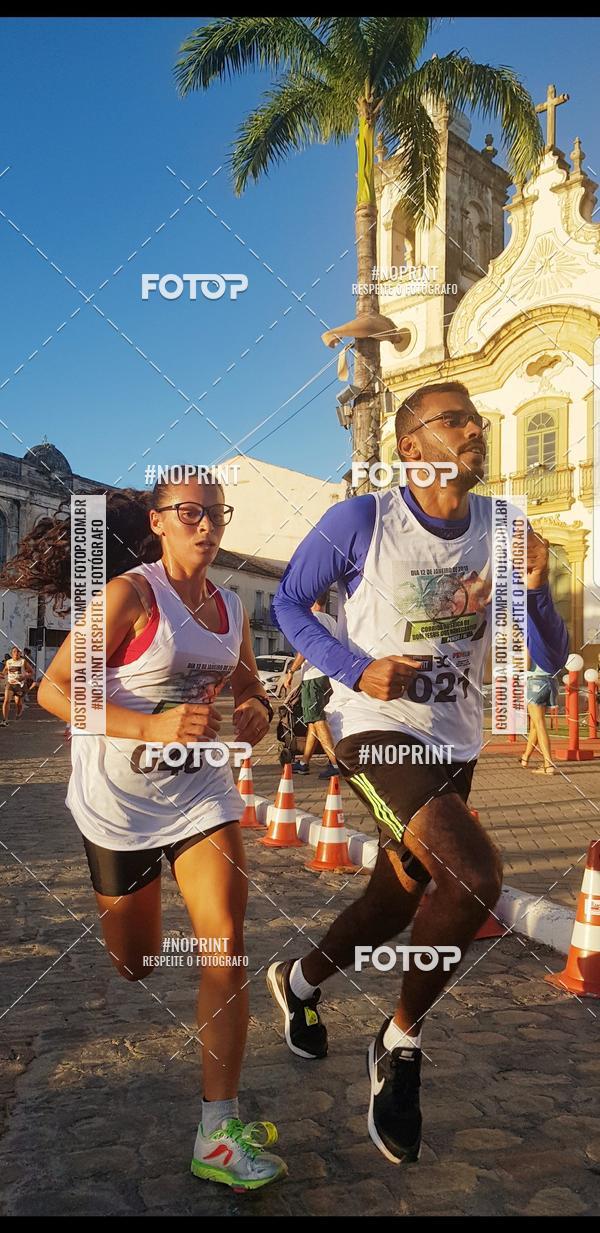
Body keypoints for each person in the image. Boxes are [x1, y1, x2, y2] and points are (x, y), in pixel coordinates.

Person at [268, 380, 568, 1164]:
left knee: (397, 895)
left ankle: (298, 981)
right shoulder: (363, 519)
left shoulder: (504, 526)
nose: (474, 428)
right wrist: (355, 668)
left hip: (454, 740)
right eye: (455, 419)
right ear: (411, 446)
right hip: (373, 728)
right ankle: (399, 1043)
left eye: (475, 417)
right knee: (472, 876)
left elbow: (549, 657)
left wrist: (536, 593)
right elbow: (290, 604)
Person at [2, 474, 286, 1191]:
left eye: (216, 511)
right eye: (190, 511)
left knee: (225, 940)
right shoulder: (132, 594)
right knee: (136, 961)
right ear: (159, 522)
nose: (206, 522)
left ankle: (216, 1129)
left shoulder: (227, 607)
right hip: (118, 805)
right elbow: (54, 688)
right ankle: (139, 943)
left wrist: (259, 711)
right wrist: (147, 724)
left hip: (199, 793)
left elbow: (247, 684)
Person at [281, 594, 339, 778]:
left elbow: (305, 648)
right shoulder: (331, 621)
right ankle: (304, 762)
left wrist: (291, 671)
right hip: (328, 674)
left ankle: (336, 764)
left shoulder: (312, 619)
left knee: (317, 719)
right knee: (313, 720)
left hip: (313, 676)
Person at [520, 655, 560, 774]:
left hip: (535, 681)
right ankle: (525, 757)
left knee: (539, 724)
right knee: (535, 724)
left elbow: (526, 665)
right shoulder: (552, 640)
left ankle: (548, 764)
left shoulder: (531, 639)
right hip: (551, 681)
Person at [2, 647, 26, 725]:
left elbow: (31, 672)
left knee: (18, 703)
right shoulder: (8, 662)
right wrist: (2, 675)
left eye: (18, 652)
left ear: (20, 653)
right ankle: (5, 720)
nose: (16, 653)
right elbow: (5, 671)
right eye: (14, 652)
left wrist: (24, 677)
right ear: (12, 653)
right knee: (6, 701)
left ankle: (19, 712)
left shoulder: (23, 661)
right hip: (10, 684)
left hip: (19, 685)